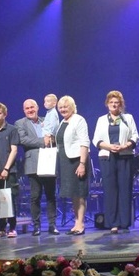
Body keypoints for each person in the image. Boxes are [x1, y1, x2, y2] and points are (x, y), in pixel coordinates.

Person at [93, 90, 139, 234]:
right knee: (110, 190)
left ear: (121, 105)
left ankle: (124, 223)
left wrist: (125, 145)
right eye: (111, 102)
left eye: (117, 103)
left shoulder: (128, 118)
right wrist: (109, 146)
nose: (114, 105)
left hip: (125, 156)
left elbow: (135, 136)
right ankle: (113, 223)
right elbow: (96, 140)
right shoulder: (101, 119)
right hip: (107, 157)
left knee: (125, 189)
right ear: (107, 104)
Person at [16, 99, 59, 236]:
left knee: (51, 196)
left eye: (32, 107)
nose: (30, 110)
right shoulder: (20, 123)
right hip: (33, 163)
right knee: (35, 197)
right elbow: (23, 140)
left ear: (37, 107)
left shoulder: (45, 120)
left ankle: (52, 225)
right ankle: (36, 226)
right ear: (24, 110)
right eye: (27, 108)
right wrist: (43, 141)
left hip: (48, 161)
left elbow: (54, 135)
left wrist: (52, 139)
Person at [55, 95, 90, 235]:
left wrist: (82, 163)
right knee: (72, 194)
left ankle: (80, 223)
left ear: (72, 107)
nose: (63, 109)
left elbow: (84, 142)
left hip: (76, 161)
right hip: (65, 161)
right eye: (61, 107)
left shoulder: (78, 120)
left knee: (80, 193)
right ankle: (76, 222)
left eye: (65, 107)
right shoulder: (62, 122)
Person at [0, 103, 20, 238]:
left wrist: (6, 168)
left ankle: (12, 226)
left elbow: (14, 150)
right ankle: (1, 227)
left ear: (5, 114)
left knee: (10, 198)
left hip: (9, 170)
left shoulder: (12, 130)